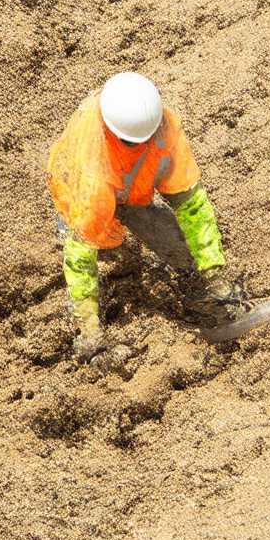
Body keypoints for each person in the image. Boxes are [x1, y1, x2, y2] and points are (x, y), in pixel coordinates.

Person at [47, 71, 248, 359]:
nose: (146, 144)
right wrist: (88, 326)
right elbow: (80, 254)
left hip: (130, 190)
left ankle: (200, 295)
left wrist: (213, 272)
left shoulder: (165, 131)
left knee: (183, 253)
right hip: (75, 186)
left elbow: (192, 206)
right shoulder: (93, 179)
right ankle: (86, 317)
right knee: (99, 250)